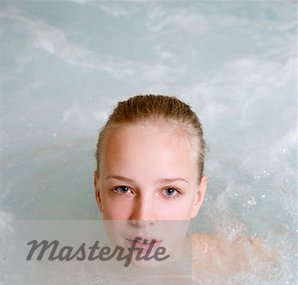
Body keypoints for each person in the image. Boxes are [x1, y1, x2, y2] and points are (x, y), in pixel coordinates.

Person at [93, 94, 271, 275]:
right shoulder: (70, 275)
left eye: (169, 191)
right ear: (98, 192)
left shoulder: (248, 267)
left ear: (197, 198)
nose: (142, 218)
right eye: (123, 189)